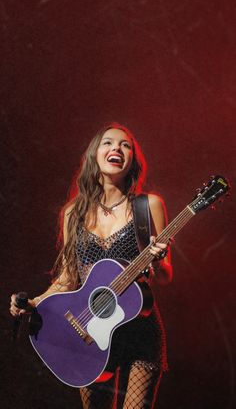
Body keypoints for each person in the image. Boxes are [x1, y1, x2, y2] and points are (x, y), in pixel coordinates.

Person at [10, 122, 172, 409]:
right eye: (108, 143)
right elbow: (69, 276)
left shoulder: (149, 206)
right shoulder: (74, 213)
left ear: (132, 159)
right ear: (93, 155)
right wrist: (35, 301)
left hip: (139, 329)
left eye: (125, 145)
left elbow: (164, 277)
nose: (117, 149)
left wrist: (158, 262)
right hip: (88, 332)